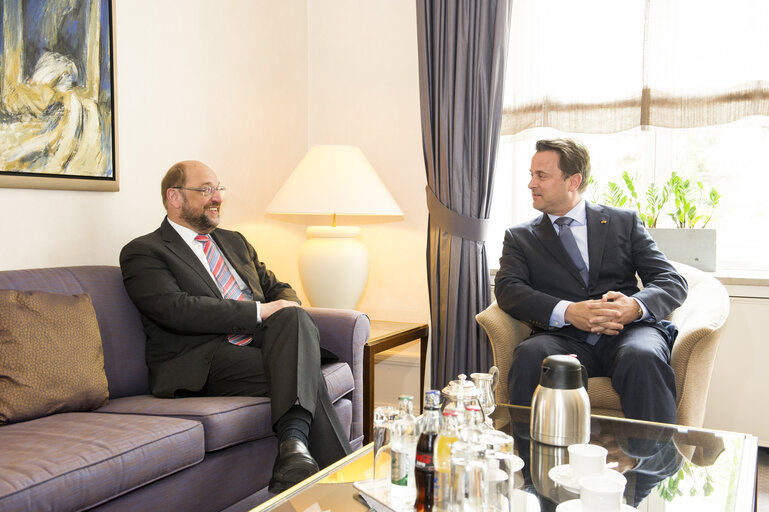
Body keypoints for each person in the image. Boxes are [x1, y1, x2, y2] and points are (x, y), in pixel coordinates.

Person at [119, 160, 351, 493]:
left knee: (294, 316)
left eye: (219, 189)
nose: (217, 198)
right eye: (205, 190)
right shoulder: (145, 251)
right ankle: (342, 487)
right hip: (203, 359)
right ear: (175, 197)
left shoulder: (234, 241)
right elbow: (176, 310)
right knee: (303, 372)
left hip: (260, 346)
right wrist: (259, 312)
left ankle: (294, 452)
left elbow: (277, 287)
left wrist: (286, 306)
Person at [494, 139, 688, 424]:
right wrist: (568, 311)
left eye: (541, 176)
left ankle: (654, 466)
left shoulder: (623, 222)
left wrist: (634, 306)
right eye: (531, 174)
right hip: (562, 336)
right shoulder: (520, 237)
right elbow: (509, 289)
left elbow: (671, 280)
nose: (531, 184)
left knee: (644, 356)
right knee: (530, 356)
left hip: (628, 331)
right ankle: (534, 466)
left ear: (573, 181)